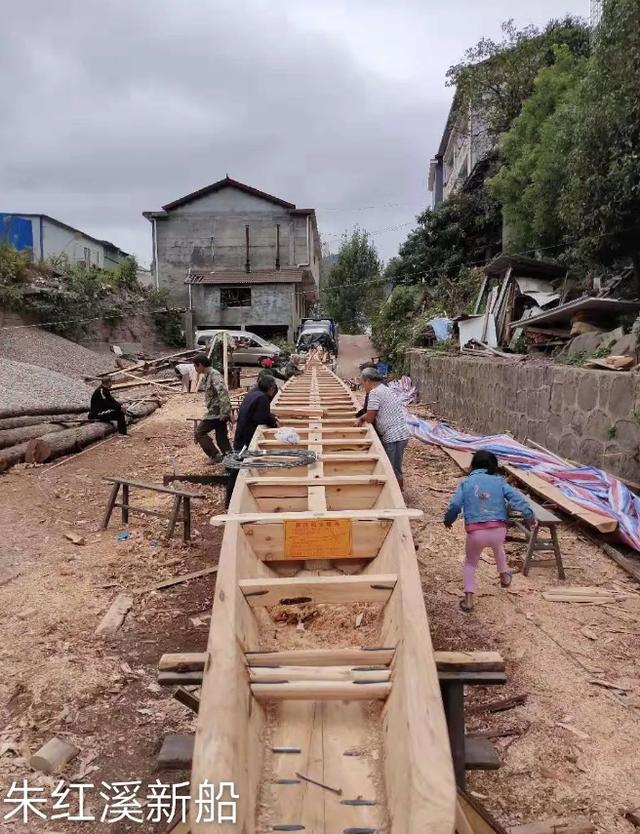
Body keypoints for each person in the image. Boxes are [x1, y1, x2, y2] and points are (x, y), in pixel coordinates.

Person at [444, 449, 536, 613]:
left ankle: (469, 600)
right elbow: (517, 499)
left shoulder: (466, 483)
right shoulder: (499, 482)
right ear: (493, 467)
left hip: (476, 533)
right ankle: (505, 575)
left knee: (471, 563)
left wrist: (448, 520)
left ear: (473, 465)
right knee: (498, 547)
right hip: (499, 530)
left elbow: (455, 505)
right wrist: (529, 516)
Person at [225, 374, 278, 507]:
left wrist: (271, 417)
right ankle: (231, 501)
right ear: (270, 388)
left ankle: (229, 500)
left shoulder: (253, 393)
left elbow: (260, 414)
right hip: (246, 436)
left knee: (237, 465)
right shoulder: (262, 398)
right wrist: (274, 422)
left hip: (241, 433)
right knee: (238, 467)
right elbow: (260, 418)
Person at [356, 367, 410, 489]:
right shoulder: (385, 389)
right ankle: (398, 492)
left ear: (368, 380)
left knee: (391, 469)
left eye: (363, 383)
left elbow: (370, 417)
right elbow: (372, 413)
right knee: (395, 467)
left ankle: (398, 497)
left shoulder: (374, 393)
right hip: (401, 433)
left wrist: (361, 418)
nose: (364, 386)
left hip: (393, 436)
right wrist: (361, 417)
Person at [192, 353, 232, 464]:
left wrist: (225, 412)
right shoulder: (208, 375)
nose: (195, 369)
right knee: (221, 437)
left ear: (200, 365)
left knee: (199, 432)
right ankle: (230, 458)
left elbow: (223, 393)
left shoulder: (214, 375)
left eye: (195, 366)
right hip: (216, 411)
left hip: (217, 412)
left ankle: (215, 455)